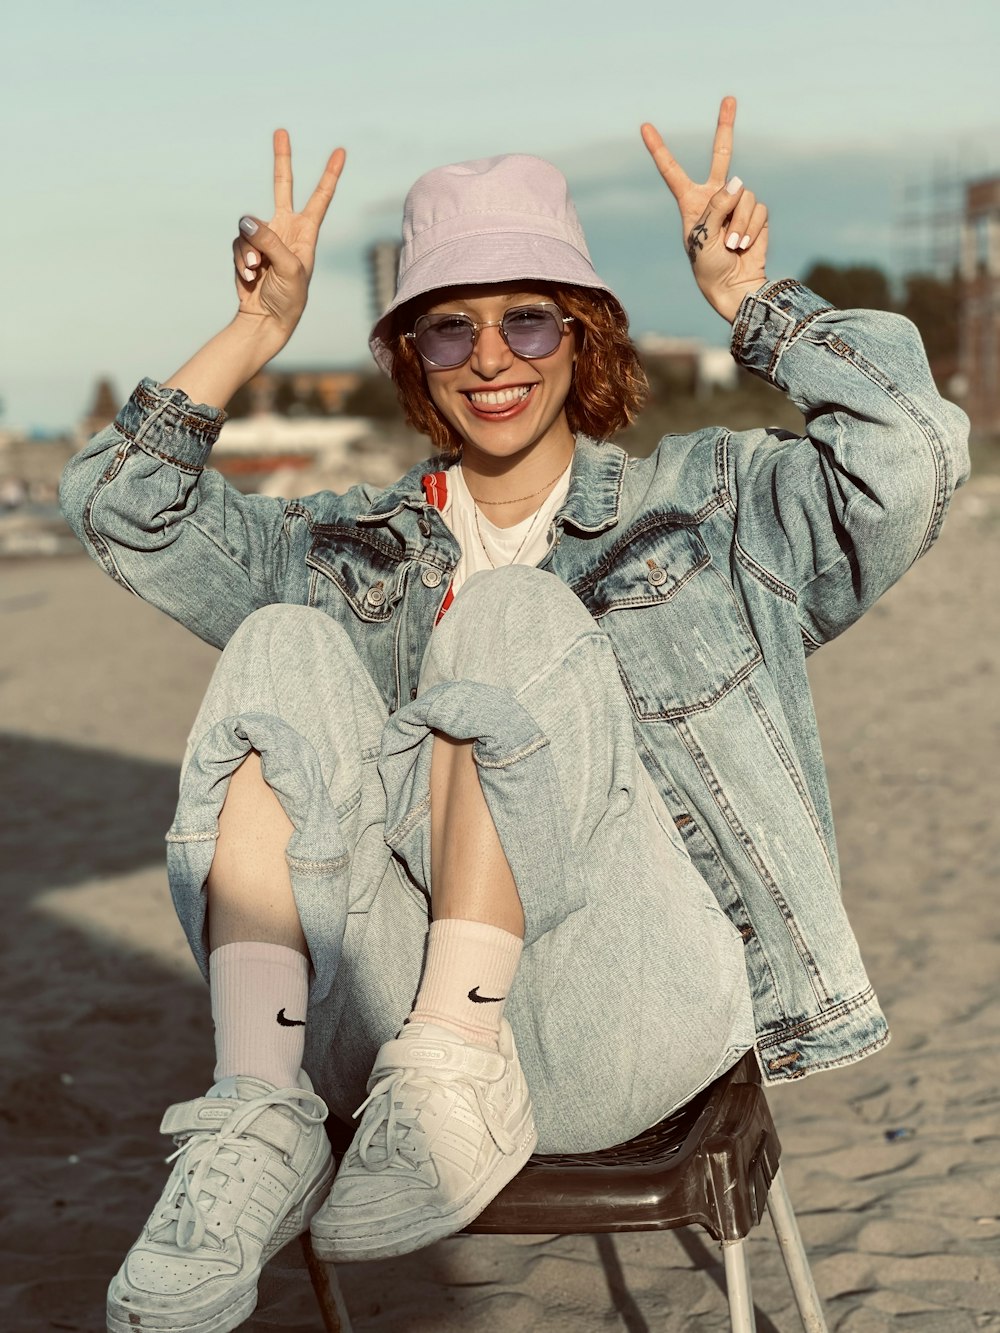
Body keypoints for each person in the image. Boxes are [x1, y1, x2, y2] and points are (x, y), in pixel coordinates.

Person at [61, 97, 969, 1333]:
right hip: (387, 1043)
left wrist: (756, 305)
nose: (492, 357)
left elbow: (910, 451)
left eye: (527, 316)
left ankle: (456, 1065)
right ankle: (258, 1109)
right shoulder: (343, 547)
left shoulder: (701, 508)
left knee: (510, 623)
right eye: (449, 329)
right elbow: (124, 507)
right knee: (279, 643)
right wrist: (255, 326)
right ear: (412, 358)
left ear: (582, 334)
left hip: (624, 1013)